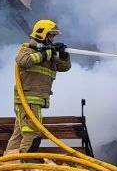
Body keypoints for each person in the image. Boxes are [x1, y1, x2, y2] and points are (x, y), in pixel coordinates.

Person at [5, 19, 71, 153]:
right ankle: (24, 164)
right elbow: (24, 61)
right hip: (28, 100)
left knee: (18, 134)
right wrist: (44, 54)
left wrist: (64, 55)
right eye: (51, 36)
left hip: (33, 101)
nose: (53, 39)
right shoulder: (26, 49)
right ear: (42, 34)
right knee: (32, 133)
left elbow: (64, 67)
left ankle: (9, 166)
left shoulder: (49, 53)